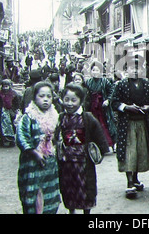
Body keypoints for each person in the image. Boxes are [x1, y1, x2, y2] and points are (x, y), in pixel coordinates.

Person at [54, 84, 109, 214]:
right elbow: (55, 136)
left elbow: (99, 135)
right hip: (66, 161)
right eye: (66, 99)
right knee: (68, 187)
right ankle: (71, 211)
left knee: (85, 188)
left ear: (81, 100)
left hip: (83, 161)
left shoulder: (87, 118)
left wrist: (99, 151)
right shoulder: (61, 117)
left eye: (74, 100)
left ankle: (86, 212)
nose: (70, 103)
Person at [112, 54, 149, 199]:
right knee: (129, 152)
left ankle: (136, 178)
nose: (135, 71)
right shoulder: (121, 85)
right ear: (126, 70)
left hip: (142, 123)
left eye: (138, 68)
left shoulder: (147, 85)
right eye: (131, 68)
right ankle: (129, 183)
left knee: (140, 151)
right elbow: (114, 102)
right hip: (127, 124)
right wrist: (126, 107)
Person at [17, 81, 61, 214]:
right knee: (32, 194)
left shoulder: (55, 116)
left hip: (50, 163)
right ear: (34, 97)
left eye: (49, 96)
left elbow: (58, 137)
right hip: (32, 163)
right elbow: (21, 137)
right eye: (41, 96)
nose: (46, 99)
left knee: (49, 193)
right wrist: (34, 152)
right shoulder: (28, 117)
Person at [86, 61, 117, 150]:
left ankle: (113, 143)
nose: (95, 72)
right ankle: (99, 145)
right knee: (95, 125)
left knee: (107, 125)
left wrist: (107, 100)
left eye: (97, 70)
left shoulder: (104, 81)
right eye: (93, 70)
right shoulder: (88, 82)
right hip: (93, 107)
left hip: (103, 107)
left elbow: (111, 91)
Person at [0, 79, 20, 147]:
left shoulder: (14, 94)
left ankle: (11, 140)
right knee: (1, 126)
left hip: (10, 111)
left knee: (11, 125)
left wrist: (16, 109)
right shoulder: (0, 93)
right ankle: (2, 139)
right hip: (2, 111)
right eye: (4, 86)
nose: (5, 88)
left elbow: (16, 103)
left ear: (10, 86)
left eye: (7, 86)